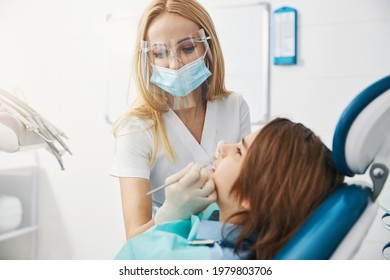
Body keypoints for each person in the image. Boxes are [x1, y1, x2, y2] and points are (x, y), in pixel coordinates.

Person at [110, 0, 251, 240]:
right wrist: (171, 214)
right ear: (147, 58)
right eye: (160, 53)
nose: (174, 64)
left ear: (208, 47)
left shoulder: (234, 107)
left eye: (187, 48)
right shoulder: (135, 129)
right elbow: (134, 240)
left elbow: (250, 190)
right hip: (166, 251)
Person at [115, 118, 345, 259]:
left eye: (239, 152)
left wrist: (166, 219)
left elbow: (130, 259)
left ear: (254, 196)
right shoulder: (230, 226)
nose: (223, 147)